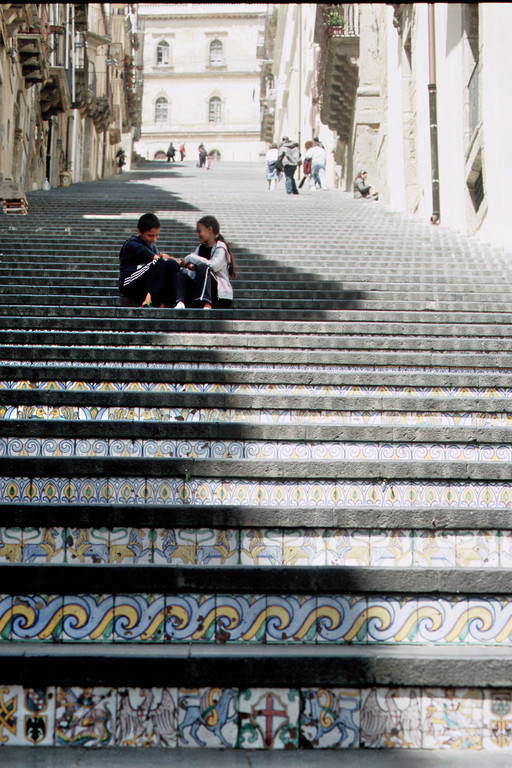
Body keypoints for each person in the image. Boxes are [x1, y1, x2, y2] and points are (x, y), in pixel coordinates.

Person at [173, 215, 237, 309]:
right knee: (180, 274)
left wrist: (191, 258)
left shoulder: (221, 247)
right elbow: (192, 265)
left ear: (209, 229)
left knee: (204, 267)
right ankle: (180, 302)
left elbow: (214, 266)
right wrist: (189, 265)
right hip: (199, 287)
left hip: (218, 294)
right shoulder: (200, 248)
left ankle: (205, 303)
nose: (198, 235)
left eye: (199, 231)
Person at [119, 213, 180, 308]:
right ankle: (147, 299)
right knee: (160, 263)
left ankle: (163, 303)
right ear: (139, 232)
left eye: (157, 235)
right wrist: (164, 258)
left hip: (145, 284)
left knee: (172, 264)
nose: (154, 239)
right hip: (129, 282)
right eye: (150, 236)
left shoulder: (153, 247)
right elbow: (155, 259)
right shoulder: (132, 244)